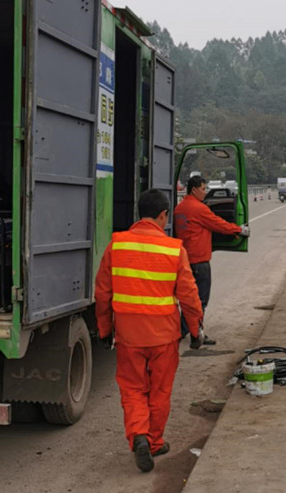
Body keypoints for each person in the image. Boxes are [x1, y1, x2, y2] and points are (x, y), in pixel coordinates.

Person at [94, 188, 203, 473]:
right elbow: (190, 296)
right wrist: (195, 331)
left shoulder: (117, 245)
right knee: (160, 390)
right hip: (164, 336)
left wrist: (105, 329)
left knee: (132, 389)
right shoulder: (174, 249)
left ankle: (139, 435)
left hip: (129, 336)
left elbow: (103, 292)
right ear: (164, 215)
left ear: (138, 213)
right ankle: (154, 442)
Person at [174, 175, 250, 344]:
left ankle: (183, 330)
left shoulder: (180, 208)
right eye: (203, 189)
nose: (205, 192)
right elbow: (218, 224)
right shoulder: (198, 208)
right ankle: (195, 332)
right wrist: (238, 229)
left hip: (185, 260)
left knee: (187, 298)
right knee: (201, 299)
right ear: (194, 190)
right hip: (200, 261)